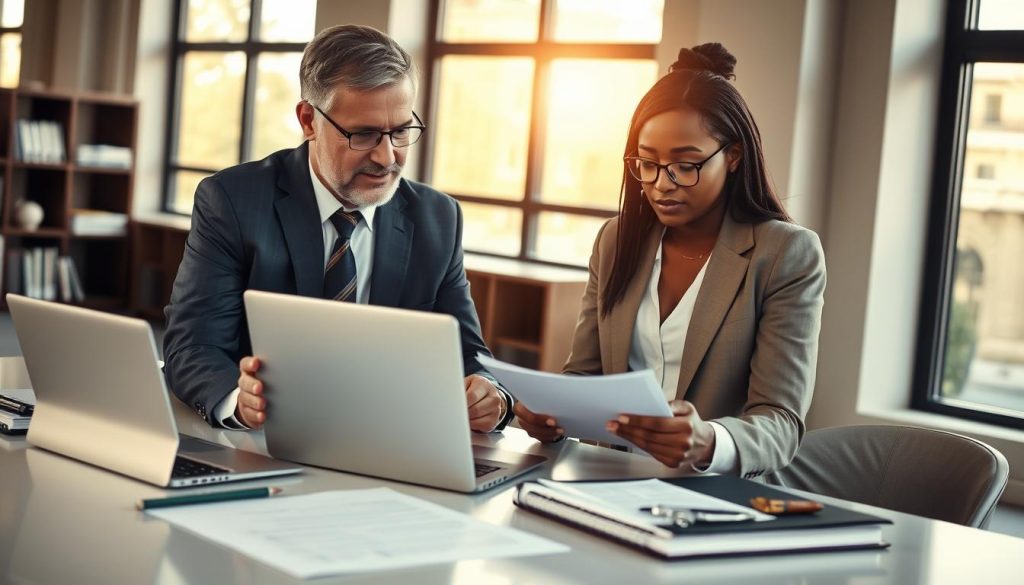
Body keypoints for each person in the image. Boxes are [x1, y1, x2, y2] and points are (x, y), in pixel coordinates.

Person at [162, 24, 514, 433]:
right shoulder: (233, 201)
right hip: (267, 442)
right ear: (308, 120)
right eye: (363, 134)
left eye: (400, 131)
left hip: (391, 442)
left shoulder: (437, 219)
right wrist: (239, 402)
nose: (387, 158)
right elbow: (193, 346)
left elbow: (469, 356)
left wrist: (491, 395)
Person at [513, 43, 826, 480]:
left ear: (733, 156)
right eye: (647, 163)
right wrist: (550, 416)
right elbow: (584, 375)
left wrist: (710, 440)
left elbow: (781, 422)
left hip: (711, 495)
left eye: (686, 164)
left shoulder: (784, 254)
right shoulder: (617, 240)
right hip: (605, 479)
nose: (662, 184)